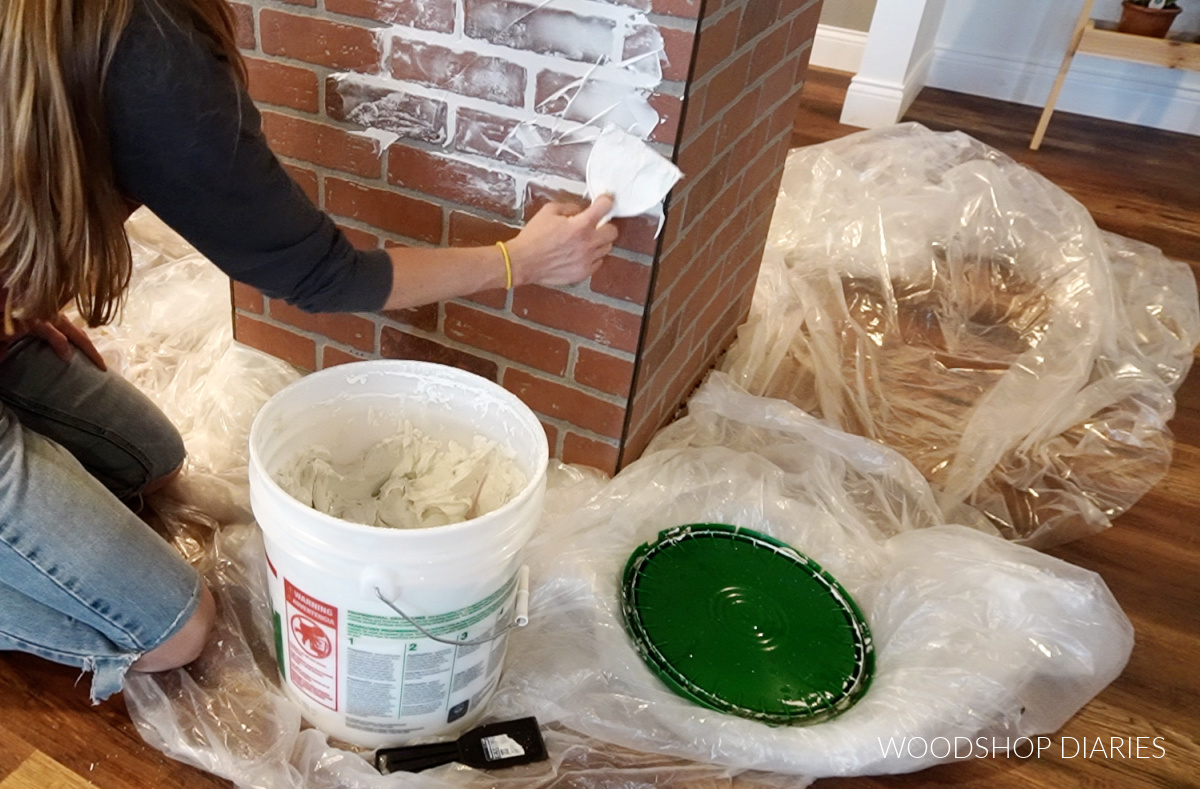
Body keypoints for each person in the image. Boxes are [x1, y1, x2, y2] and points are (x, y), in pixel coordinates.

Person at [0, 0, 618, 703]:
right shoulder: (151, 57)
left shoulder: (100, 39)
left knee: (150, 461)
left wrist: (19, 300)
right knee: (175, 632)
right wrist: (519, 260)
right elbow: (323, 273)